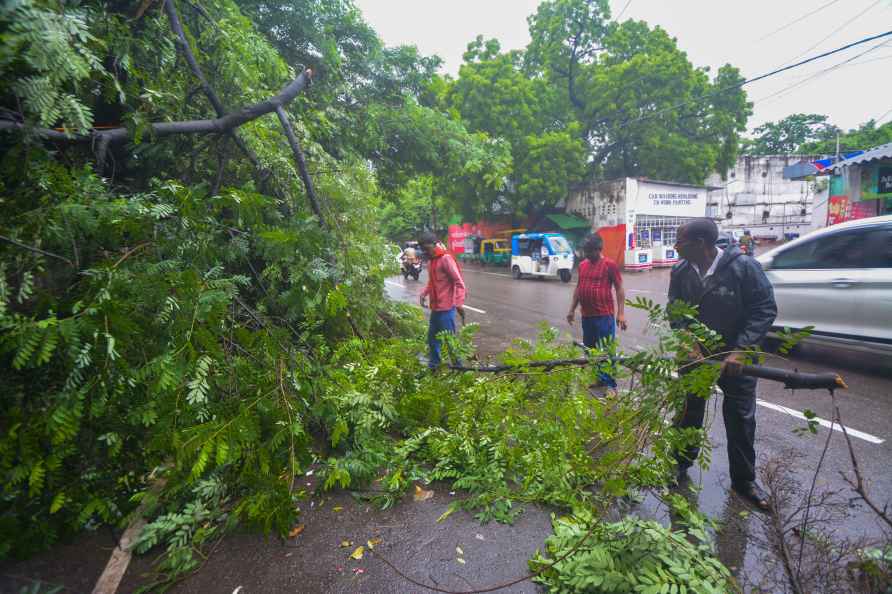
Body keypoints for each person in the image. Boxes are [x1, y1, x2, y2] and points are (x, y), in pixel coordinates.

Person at [669, 218, 777, 511]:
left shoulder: (744, 268)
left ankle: (744, 482)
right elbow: (675, 312)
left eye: (680, 241)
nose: (675, 246)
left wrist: (741, 350)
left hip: (737, 361)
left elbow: (764, 308)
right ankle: (678, 464)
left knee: (740, 419)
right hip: (695, 358)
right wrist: (686, 341)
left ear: (700, 244)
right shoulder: (680, 272)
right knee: (688, 411)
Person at [566, 233, 627, 388]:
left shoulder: (609, 265)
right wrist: (572, 309)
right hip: (587, 316)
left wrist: (621, 313)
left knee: (606, 351)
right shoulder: (582, 265)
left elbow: (619, 288)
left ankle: (611, 385)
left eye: (589, 251)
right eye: (585, 251)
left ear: (599, 249)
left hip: (604, 316)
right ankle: (599, 378)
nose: (586, 254)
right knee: (591, 350)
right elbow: (579, 288)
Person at [418, 232, 467, 370]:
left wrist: (459, 303)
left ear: (435, 244)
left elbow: (459, 282)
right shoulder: (431, 261)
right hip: (436, 309)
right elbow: (431, 282)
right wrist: (423, 293)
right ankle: (434, 367)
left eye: (427, 249)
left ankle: (459, 369)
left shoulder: (446, 259)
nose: (426, 252)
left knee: (450, 342)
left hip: (447, 309)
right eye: (424, 250)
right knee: (432, 340)